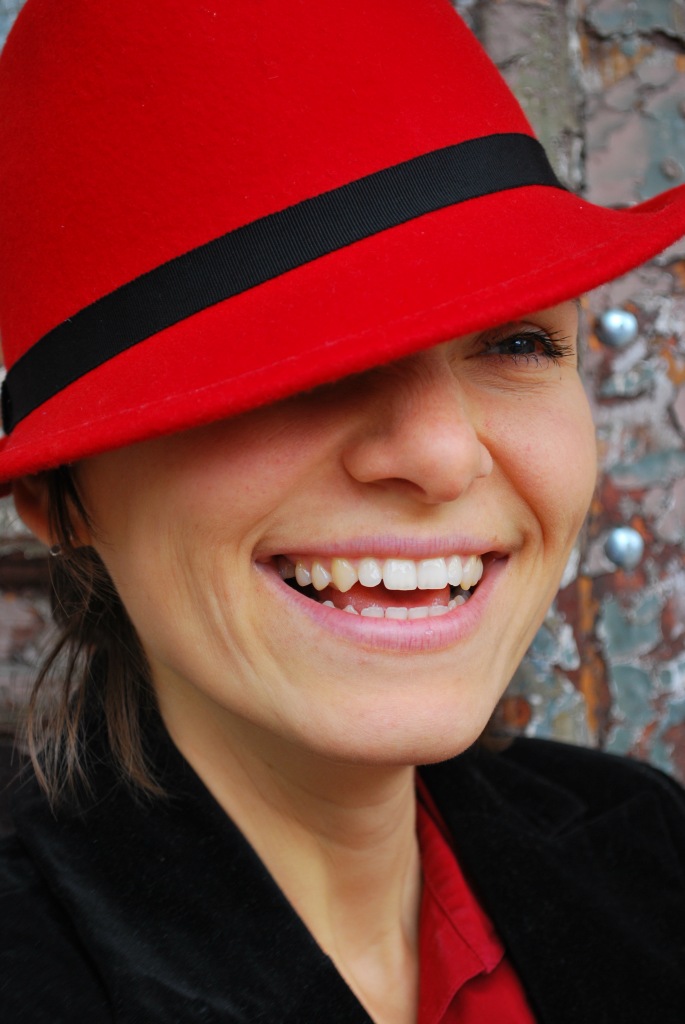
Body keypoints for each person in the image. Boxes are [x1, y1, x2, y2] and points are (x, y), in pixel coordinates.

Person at [0, 1, 684, 1021]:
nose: (442, 455)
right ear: (60, 494)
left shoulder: (646, 854)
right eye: (289, 365)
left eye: (516, 343)